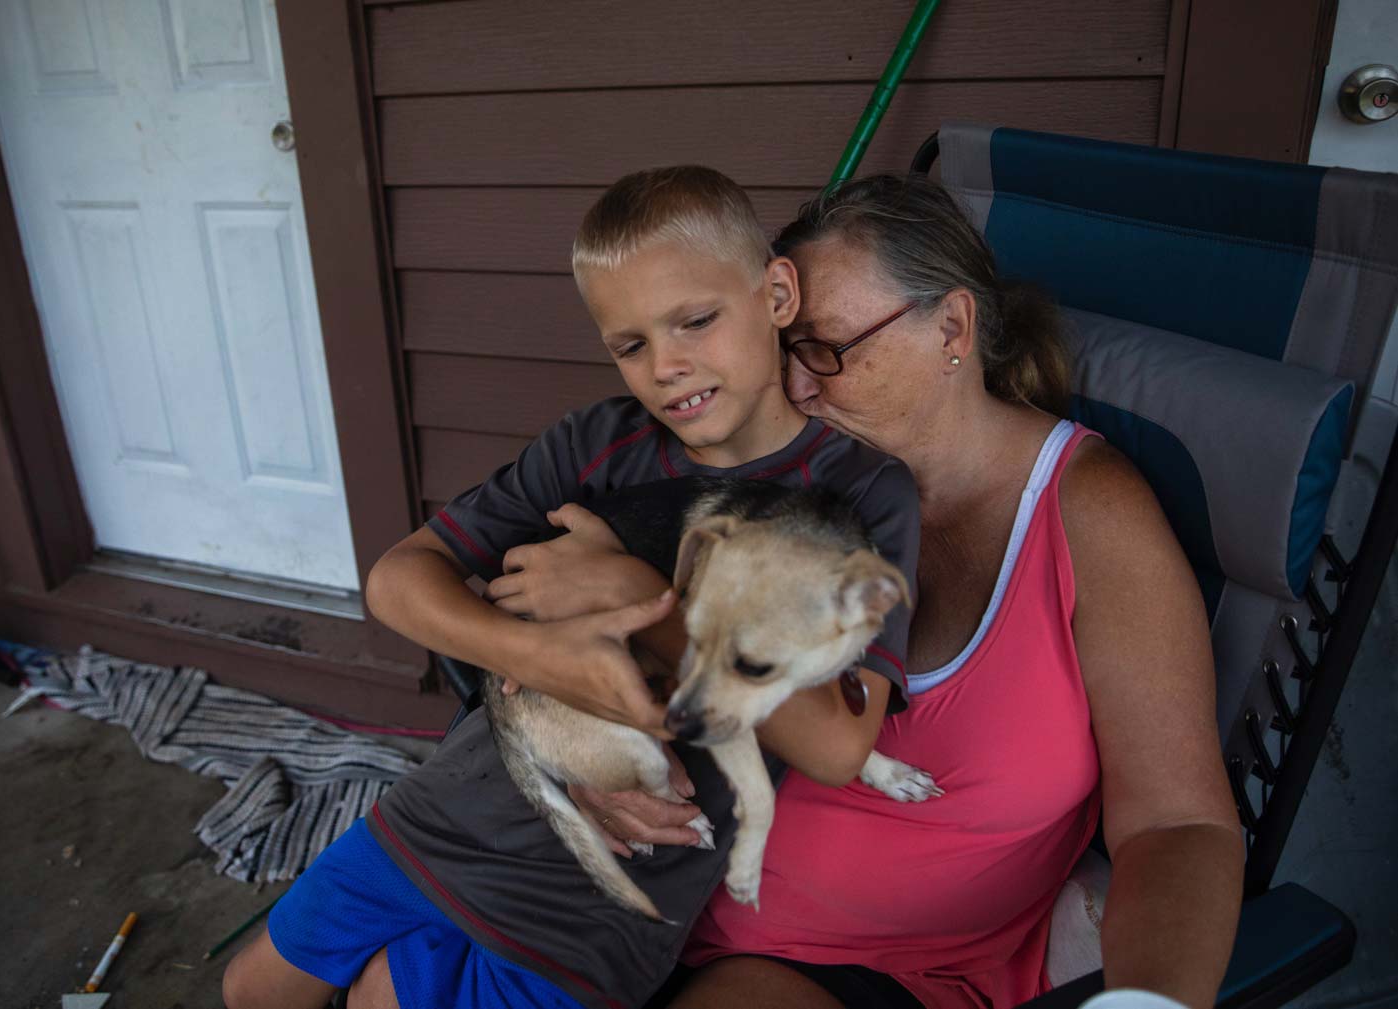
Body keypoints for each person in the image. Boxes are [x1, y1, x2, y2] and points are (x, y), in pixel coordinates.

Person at [524, 175, 1243, 1009]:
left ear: (952, 326)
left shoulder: (1087, 517)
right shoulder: (774, 475)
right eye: (783, 349)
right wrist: (580, 770)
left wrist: (1149, 1002)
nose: (794, 388)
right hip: (628, 900)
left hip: (842, 971)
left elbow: (1175, 823)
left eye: (826, 348)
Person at [221, 165, 922, 1009]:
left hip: (608, 887)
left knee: (387, 997)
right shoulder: (596, 443)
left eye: (695, 320)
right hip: (464, 802)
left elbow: (840, 747)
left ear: (776, 294)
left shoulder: (856, 494)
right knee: (253, 987)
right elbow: (398, 581)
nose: (666, 366)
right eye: (630, 345)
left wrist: (633, 591)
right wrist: (540, 654)